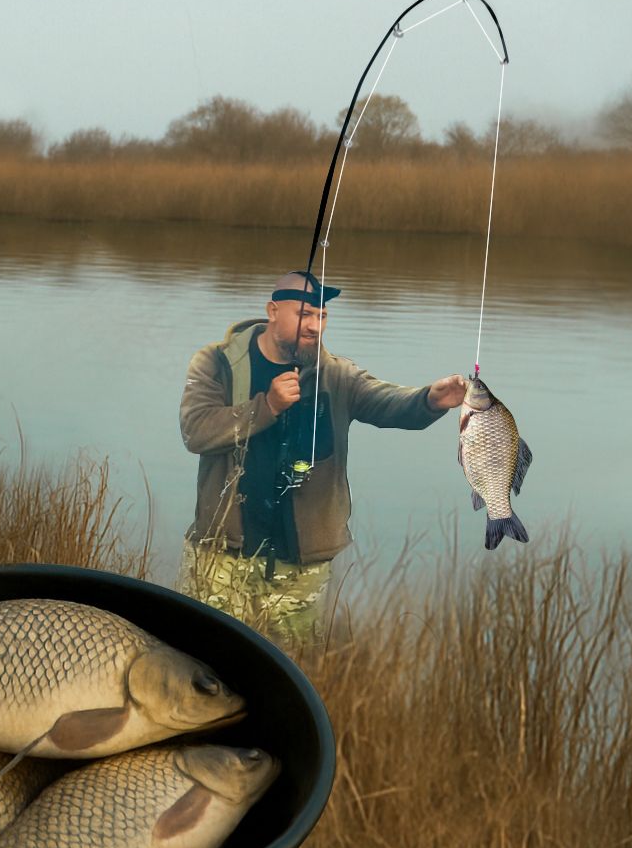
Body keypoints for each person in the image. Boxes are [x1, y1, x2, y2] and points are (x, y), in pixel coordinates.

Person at [177, 270, 464, 643]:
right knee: (202, 660)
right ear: (273, 310)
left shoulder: (337, 375)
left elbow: (387, 402)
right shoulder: (216, 362)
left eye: (322, 316)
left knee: (291, 675)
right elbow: (195, 430)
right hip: (220, 554)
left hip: (302, 566)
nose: (315, 326)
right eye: (304, 314)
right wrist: (266, 407)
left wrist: (430, 399)